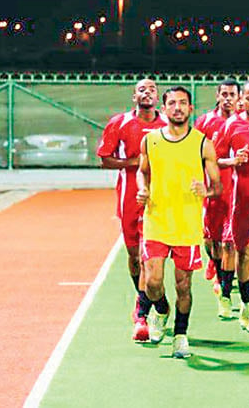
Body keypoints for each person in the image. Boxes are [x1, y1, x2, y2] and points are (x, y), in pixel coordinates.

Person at [137, 86, 221, 358]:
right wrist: (143, 189)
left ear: (190, 109)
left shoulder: (202, 143)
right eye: (172, 103)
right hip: (156, 220)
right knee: (152, 282)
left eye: (182, 103)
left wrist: (205, 190)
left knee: (183, 285)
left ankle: (180, 334)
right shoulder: (150, 140)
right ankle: (161, 311)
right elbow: (142, 171)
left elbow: (218, 186)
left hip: (187, 224)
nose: (177, 107)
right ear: (164, 109)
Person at [96, 79, 169, 342]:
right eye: (142, 89)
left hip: (160, 201)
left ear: (158, 97)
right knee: (135, 256)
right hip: (129, 198)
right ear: (133, 96)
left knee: (148, 257)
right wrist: (132, 162)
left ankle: (142, 313)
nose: (147, 92)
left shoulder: (168, 125)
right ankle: (151, 300)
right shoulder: (120, 123)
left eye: (152, 89)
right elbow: (104, 159)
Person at [214, 80, 249, 338]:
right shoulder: (232, 125)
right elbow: (213, 158)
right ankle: (246, 303)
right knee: (244, 255)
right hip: (242, 202)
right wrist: (232, 160)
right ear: (242, 100)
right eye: (248, 98)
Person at [194, 80, 240, 317]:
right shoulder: (205, 122)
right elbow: (195, 152)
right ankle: (214, 261)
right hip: (212, 190)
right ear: (218, 95)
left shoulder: (245, 123)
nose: (228, 98)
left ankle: (225, 289)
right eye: (224, 94)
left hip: (237, 191)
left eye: (232, 94)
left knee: (229, 242)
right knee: (211, 241)